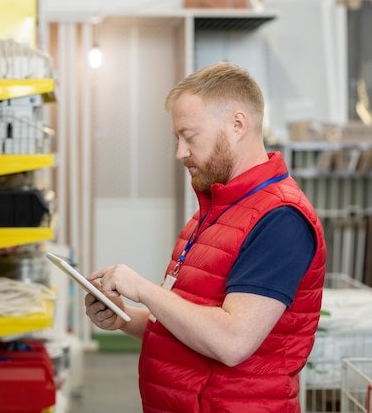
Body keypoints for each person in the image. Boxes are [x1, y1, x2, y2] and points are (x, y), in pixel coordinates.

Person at [84, 62, 327, 413]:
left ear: (237, 125)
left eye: (190, 136)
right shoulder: (215, 210)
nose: (180, 152)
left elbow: (231, 340)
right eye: (177, 138)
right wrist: (124, 316)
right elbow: (187, 326)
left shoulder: (280, 219)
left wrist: (143, 289)